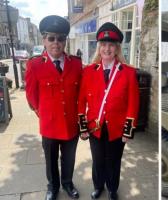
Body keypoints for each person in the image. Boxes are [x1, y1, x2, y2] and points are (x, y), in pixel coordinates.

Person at [77, 22, 140, 200]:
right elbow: (81, 102)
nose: (107, 49)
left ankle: (112, 188)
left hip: (117, 128)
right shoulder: (88, 71)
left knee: (114, 161)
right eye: (103, 45)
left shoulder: (128, 72)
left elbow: (133, 104)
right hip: (95, 127)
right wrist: (82, 128)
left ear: (117, 48)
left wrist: (128, 131)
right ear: (99, 47)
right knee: (97, 160)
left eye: (111, 45)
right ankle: (98, 186)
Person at [25, 15, 82, 200]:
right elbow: (31, 96)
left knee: (69, 158)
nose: (56, 43)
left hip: (71, 123)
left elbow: (82, 92)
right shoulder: (34, 65)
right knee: (50, 161)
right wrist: (43, 114)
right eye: (51, 38)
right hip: (49, 125)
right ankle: (52, 187)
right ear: (44, 40)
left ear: (65, 40)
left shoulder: (76, 63)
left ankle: (67, 183)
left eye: (60, 38)